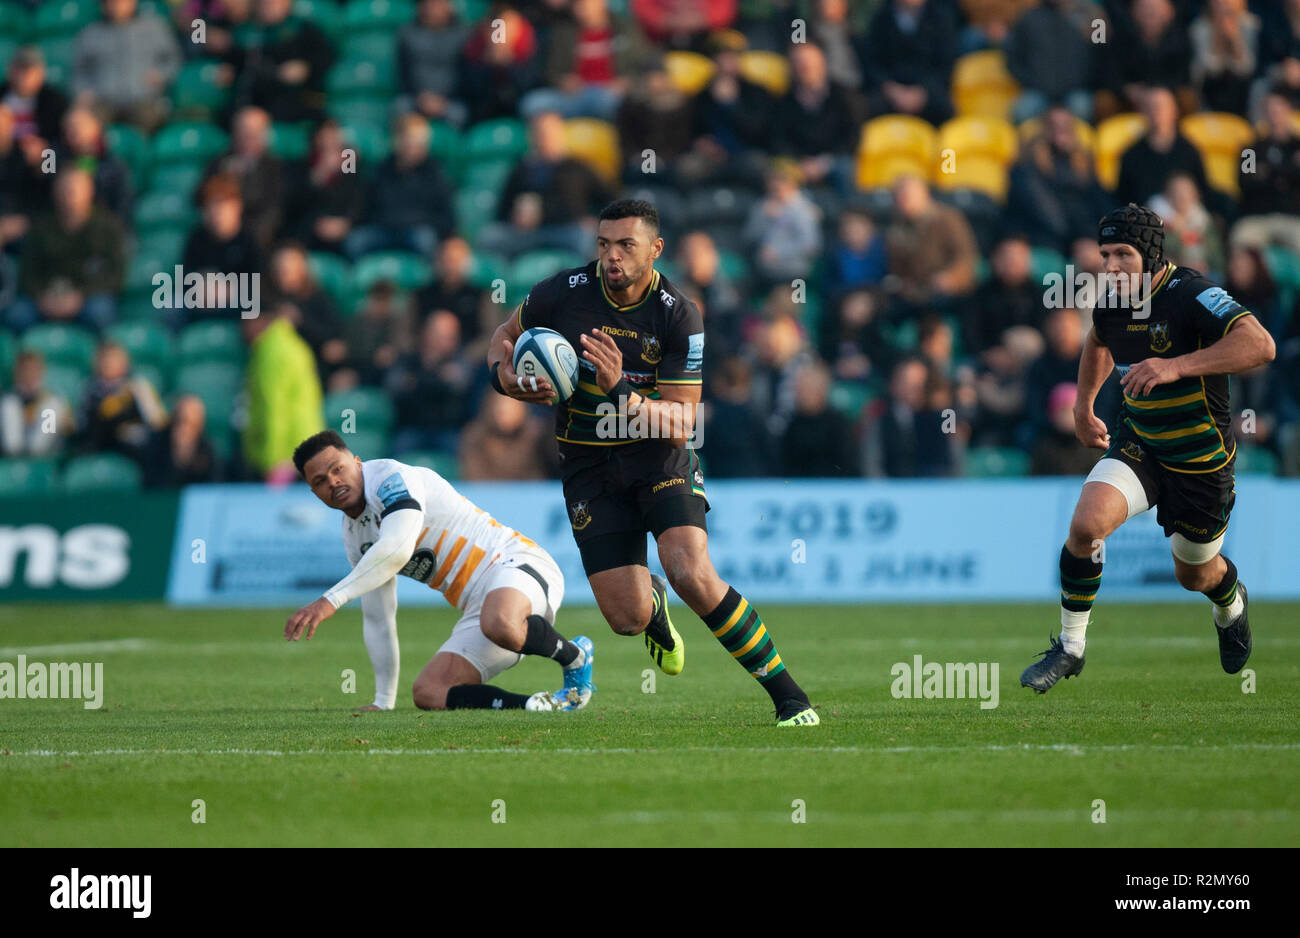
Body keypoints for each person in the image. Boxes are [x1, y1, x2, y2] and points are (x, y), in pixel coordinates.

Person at [486, 199, 818, 726]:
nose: (610, 257)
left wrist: (620, 389)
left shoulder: (677, 313)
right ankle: (654, 609)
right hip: (588, 467)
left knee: (689, 567)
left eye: (625, 245)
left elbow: (682, 423)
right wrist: (505, 377)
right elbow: (503, 336)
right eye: (603, 245)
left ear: (655, 250)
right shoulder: (561, 293)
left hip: (658, 458)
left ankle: (789, 697)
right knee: (625, 618)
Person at [1020, 204, 1276, 694]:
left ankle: (1231, 604)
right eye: (1105, 254)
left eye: (1123, 255)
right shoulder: (1113, 301)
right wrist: (1083, 405)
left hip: (1201, 462)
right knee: (1085, 527)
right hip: (1141, 444)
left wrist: (1176, 366)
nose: (1110, 266)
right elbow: (1098, 342)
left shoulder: (1192, 294)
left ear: (1152, 255)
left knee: (1194, 574)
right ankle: (1071, 648)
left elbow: (1261, 345)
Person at [284, 430, 596, 713]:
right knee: (430, 692)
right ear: (313, 492)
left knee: (499, 620)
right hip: (479, 608)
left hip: (515, 563)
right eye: (320, 481)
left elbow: (397, 548)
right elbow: (379, 617)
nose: (333, 482)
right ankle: (536, 706)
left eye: (338, 469)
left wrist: (330, 600)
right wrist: (383, 701)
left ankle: (574, 656)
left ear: (357, 461)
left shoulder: (391, 479)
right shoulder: (355, 537)